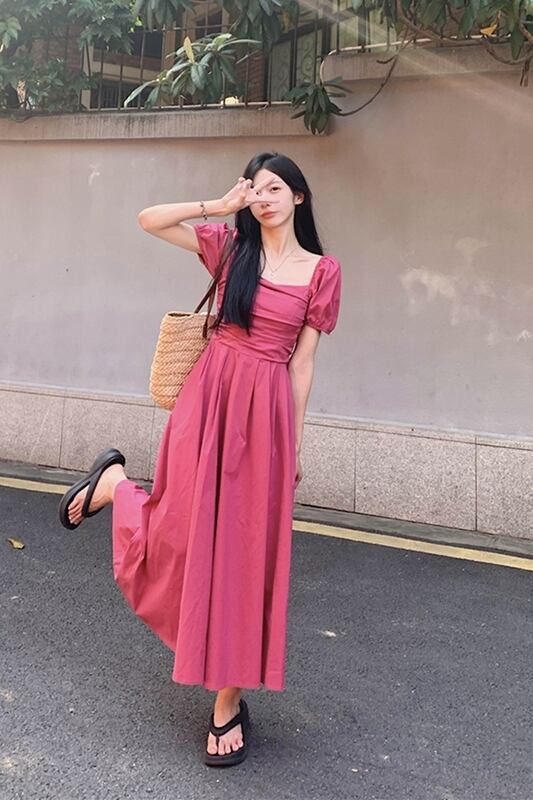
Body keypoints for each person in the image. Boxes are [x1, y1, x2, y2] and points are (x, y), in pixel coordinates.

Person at [58, 151, 342, 767]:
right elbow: (150, 219)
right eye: (256, 189)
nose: (265, 198)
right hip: (208, 402)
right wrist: (221, 204)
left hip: (265, 418)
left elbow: (302, 364)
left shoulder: (322, 272)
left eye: (276, 188)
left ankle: (227, 701)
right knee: (178, 530)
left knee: (247, 555)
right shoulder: (230, 248)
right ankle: (118, 488)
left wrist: (293, 442)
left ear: (299, 197)